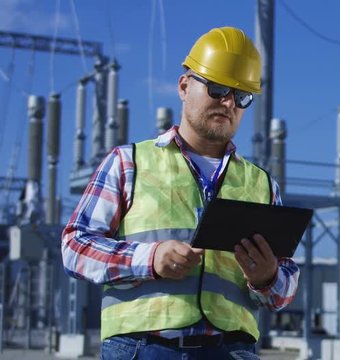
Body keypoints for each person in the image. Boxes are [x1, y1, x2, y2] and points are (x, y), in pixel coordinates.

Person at [61, 26, 299, 360]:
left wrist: (269, 278)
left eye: (241, 96)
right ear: (185, 86)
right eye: (217, 88)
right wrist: (150, 259)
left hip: (232, 350)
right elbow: (75, 247)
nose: (228, 102)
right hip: (141, 349)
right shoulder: (129, 163)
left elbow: (284, 288)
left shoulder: (261, 184)